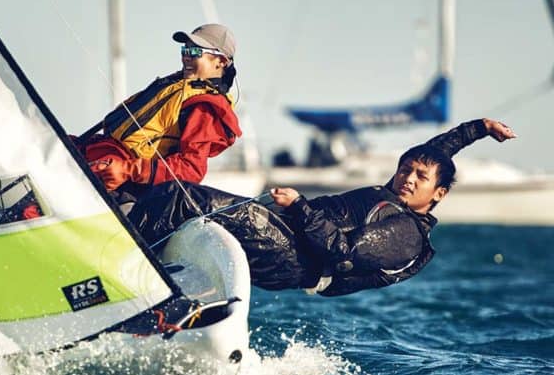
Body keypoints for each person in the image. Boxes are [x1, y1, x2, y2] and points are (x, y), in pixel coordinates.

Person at [127, 118, 517, 296]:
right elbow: (437, 152)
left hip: (296, 260)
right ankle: (124, 223)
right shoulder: (395, 194)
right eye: (405, 169)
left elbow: (341, 251)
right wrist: (479, 128)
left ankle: (125, 269)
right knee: (175, 196)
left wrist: (299, 206)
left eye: (420, 177)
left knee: (187, 197)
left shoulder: (407, 235)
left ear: (438, 194)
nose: (409, 178)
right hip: (286, 237)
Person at [78, 24, 242, 201]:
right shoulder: (174, 85)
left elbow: (191, 168)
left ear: (221, 61)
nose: (186, 56)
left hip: (121, 189)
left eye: (195, 51)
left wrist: (127, 170)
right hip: (95, 160)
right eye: (184, 49)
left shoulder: (204, 106)